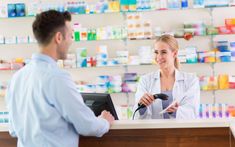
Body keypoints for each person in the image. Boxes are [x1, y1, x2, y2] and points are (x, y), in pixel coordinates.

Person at [5, 10, 114, 147]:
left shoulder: (17, 77)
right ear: (58, 37)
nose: (71, 41)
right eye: (70, 35)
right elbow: (86, 125)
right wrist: (104, 121)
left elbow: (13, 130)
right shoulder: (57, 77)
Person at [133, 34, 200, 119]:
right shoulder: (145, 80)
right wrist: (141, 106)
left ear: (174, 53)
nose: (158, 57)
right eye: (156, 52)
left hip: (181, 131)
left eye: (163, 52)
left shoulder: (191, 80)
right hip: (155, 131)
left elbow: (192, 112)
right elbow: (138, 117)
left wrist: (176, 112)